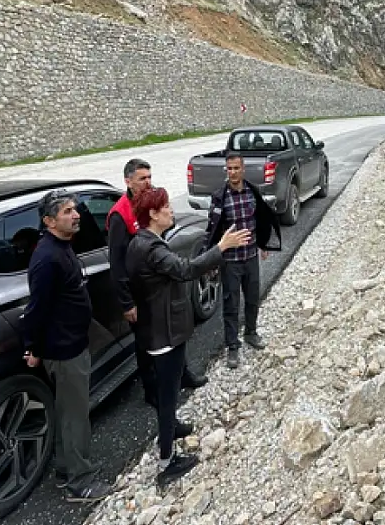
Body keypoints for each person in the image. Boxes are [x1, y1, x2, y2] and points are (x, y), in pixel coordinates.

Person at [126, 187, 252, 483]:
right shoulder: (152, 249)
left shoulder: (139, 242)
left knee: (167, 391)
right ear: (153, 214)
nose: (171, 210)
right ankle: (166, 461)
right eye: (166, 206)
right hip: (165, 333)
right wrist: (221, 247)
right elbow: (187, 269)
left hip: (153, 330)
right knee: (168, 396)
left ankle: (172, 429)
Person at [21, 189, 111, 502]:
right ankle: (80, 483)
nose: (76, 215)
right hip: (64, 349)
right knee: (75, 416)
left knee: (68, 412)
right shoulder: (47, 258)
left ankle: (65, 469)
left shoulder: (61, 246)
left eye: (75, 209)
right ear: (49, 221)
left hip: (72, 342)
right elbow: (37, 308)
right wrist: (32, 347)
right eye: (67, 212)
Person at [106, 158, 207, 411]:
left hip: (159, 285)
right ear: (128, 181)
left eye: (150, 177)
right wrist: (127, 302)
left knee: (174, 335)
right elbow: (116, 263)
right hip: (140, 291)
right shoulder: (120, 214)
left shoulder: (150, 203)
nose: (148, 182)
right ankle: (152, 391)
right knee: (146, 344)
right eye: (142, 178)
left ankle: (182, 374)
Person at [203, 152, 281, 369]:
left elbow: (261, 219)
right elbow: (212, 228)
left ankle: (251, 333)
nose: (233, 172)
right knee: (231, 304)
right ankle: (232, 346)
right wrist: (211, 257)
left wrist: (263, 243)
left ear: (243, 168)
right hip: (230, 261)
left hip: (251, 257)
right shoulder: (220, 197)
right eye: (229, 169)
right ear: (226, 170)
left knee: (253, 298)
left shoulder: (252, 192)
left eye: (236, 168)